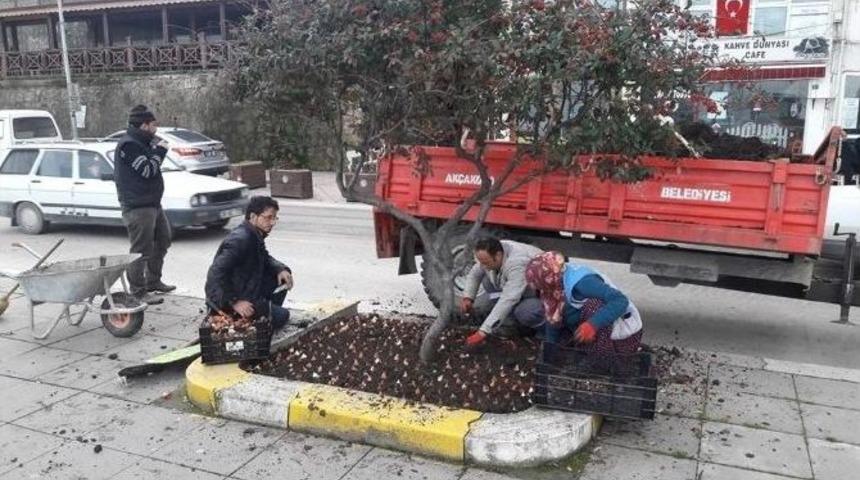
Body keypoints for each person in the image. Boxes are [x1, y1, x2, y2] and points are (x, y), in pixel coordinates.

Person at [525, 251, 643, 355]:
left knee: (593, 306)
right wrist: (550, 349)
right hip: (589, 330)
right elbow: (552, 320)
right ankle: (585, 350)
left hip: (623, 334)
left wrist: (592, 324)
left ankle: (601, 357)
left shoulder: (583, 283)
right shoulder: (556, 283)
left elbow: (620, 301)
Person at [113, 105, 174, 305]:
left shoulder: (143, 141)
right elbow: (147, 170)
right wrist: (161, 151)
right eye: (153, 124)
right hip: (138, 206)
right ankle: (138, 291)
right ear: (144, 125)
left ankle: (153, 281)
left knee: (163, 240)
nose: (156, 128)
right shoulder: (129, 145)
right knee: (140, 251)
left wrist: (155, 148)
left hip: (152, 204)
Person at [205, 196, 294, 329]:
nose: (272, 222)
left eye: (275, 218)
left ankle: (262, 314)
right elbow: (215, 274)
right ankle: (249, 317)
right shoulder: (240, 240)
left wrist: (280, 269)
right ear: (253, 216)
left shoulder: (255, 234)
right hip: (227, 301)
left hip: (247, 289)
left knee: (282, 279)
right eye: (268, 217)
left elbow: (264, 257)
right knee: (283, 316)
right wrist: (235, 301)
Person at [462, 237, 545, 350]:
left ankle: (544, 330)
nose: (484, 266)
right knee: (487, 281)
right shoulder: (492, 250)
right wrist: (468, 298)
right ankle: (510, 321)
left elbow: (509, 299)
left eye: (486, 263)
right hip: (517, 288)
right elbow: (474, 275)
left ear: (498, 255)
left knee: (525, 312)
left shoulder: (518, 263)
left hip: (541, 294)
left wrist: (482, 332)